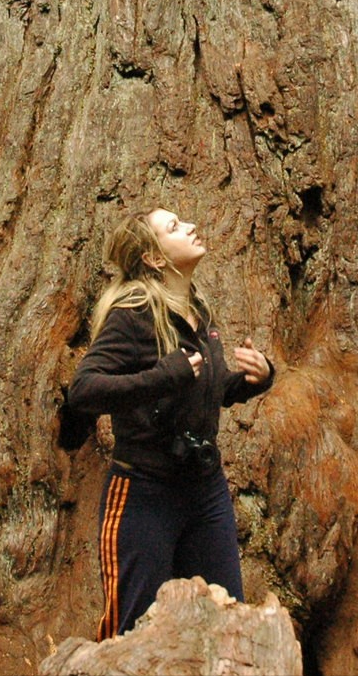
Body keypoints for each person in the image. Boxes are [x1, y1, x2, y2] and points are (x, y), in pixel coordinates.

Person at [63, 208, 275, 640]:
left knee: (225, 621)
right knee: (133, 636)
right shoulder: (134, 313)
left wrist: (255, 380)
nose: (192, 226)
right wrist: (162, 377)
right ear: (155, 258)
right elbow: (83, 390)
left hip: (205, 492)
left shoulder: (195, 307)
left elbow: (202, 387)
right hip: (144, 493)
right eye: (174, 228)